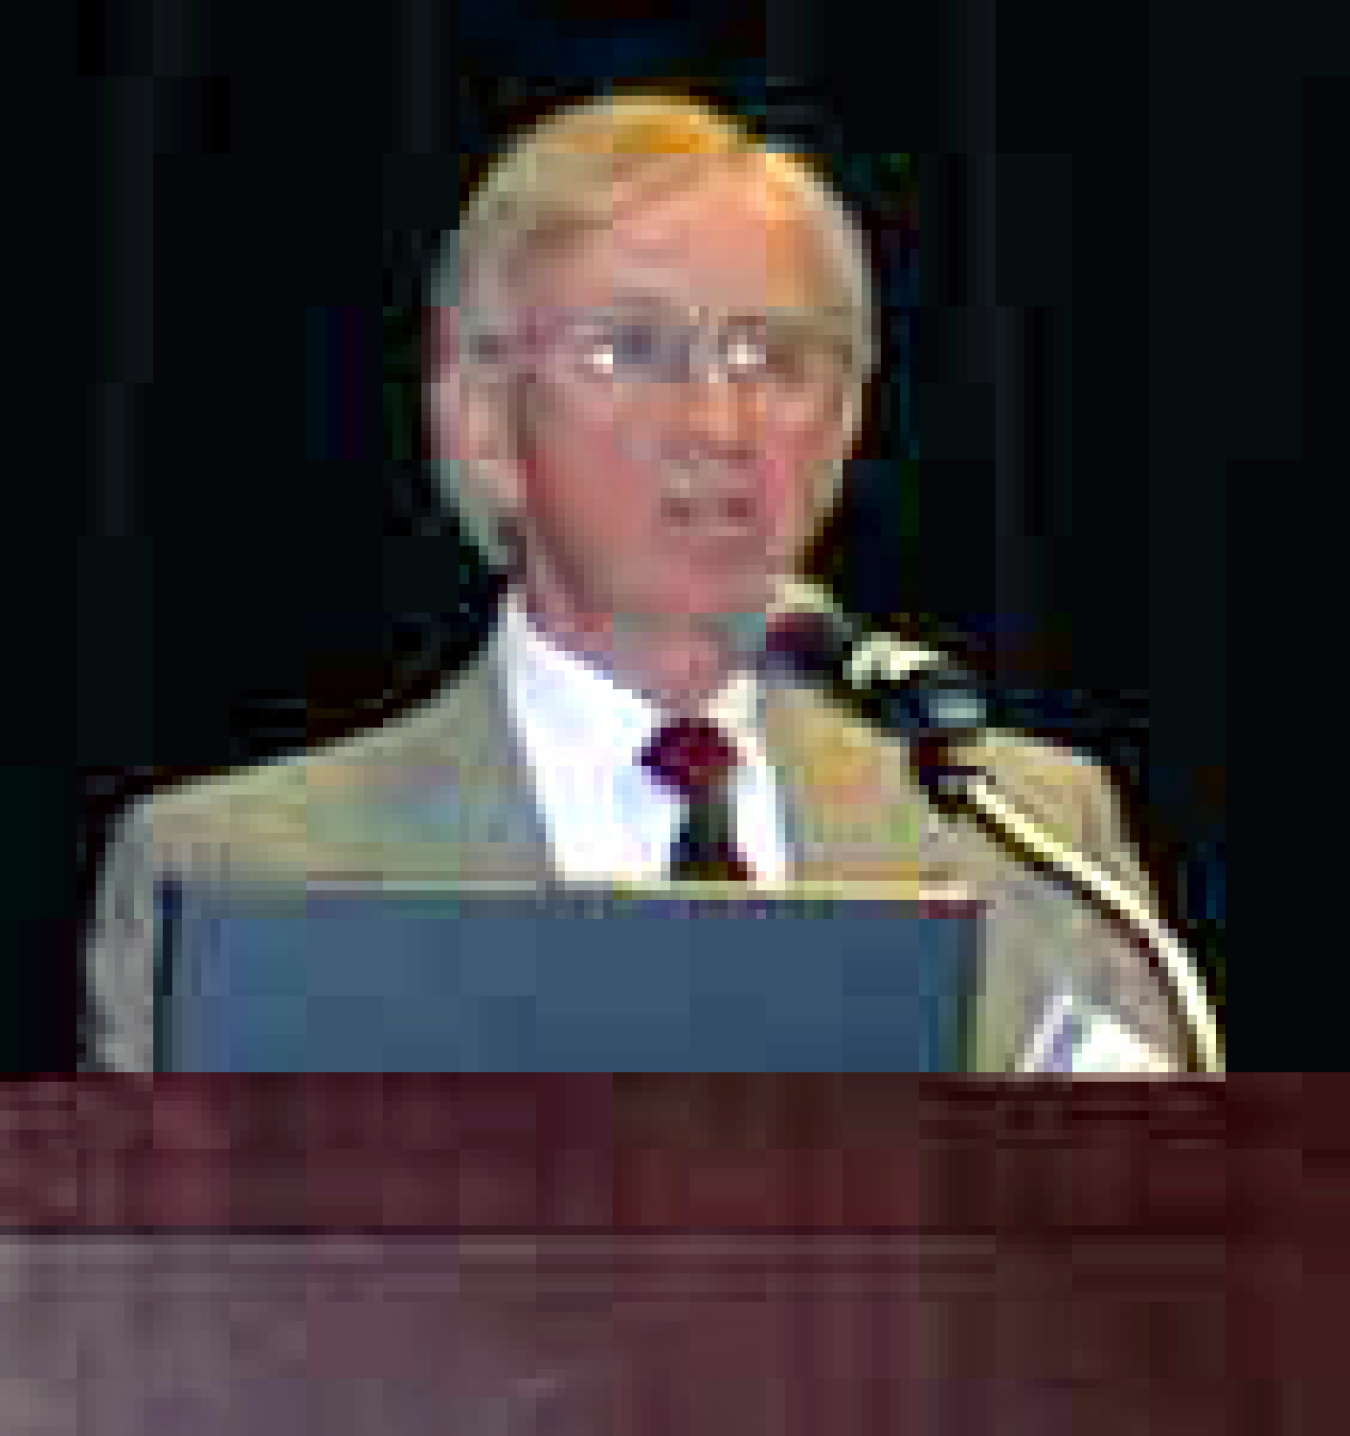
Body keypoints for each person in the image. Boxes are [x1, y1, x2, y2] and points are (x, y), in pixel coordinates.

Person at [82, 91, 1194, 1072]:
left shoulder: (1035, 846)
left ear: (847, 425)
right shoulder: (239, 884)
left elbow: (1166, 1276)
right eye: (632, 350)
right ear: (480, 421)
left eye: (775, 358)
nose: (718, 424)